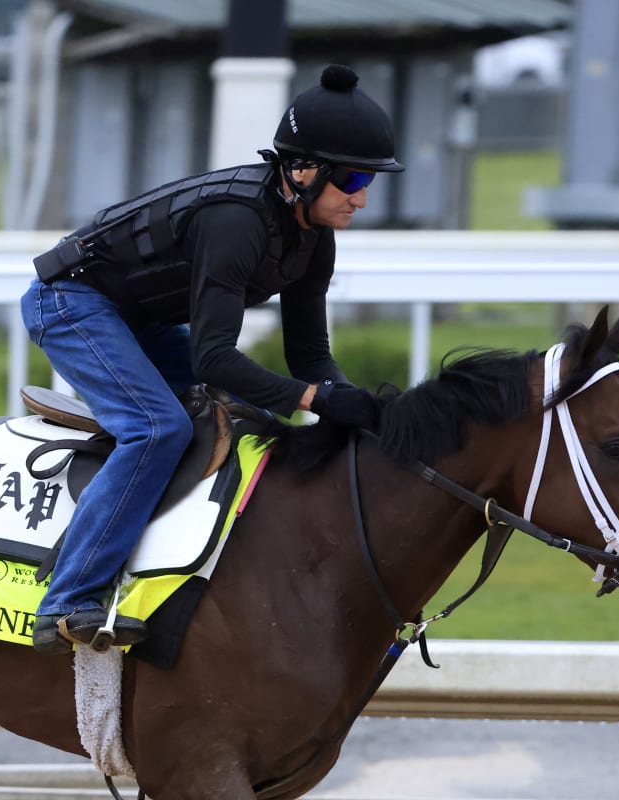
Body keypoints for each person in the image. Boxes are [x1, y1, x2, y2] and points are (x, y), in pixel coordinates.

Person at [22, 63, 401, 654]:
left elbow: (309, 355)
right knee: (157, 428)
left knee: (255, 416)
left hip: (134, 319)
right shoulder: (237, 222)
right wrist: (315, 399)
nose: (362, 195)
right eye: (352, 177)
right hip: (70, 302)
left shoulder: (313, 236)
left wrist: (354, 405)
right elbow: (217, 358)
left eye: (369, 178)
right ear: (301, 170)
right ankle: (69, 602)